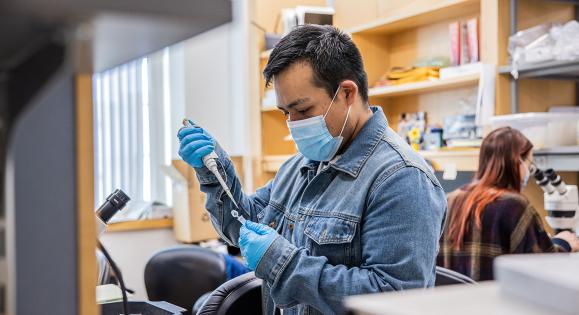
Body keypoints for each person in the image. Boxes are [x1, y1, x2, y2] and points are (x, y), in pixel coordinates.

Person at [178, 25, 446, 315]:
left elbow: (393, 301)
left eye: (303, 110)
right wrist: (215, 172)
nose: (293, 125)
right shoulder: (301, 164)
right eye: (286, 113)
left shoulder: (402, 179)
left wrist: (282, 262)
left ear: (346, 93)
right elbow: (244, 226)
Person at [437, 127, 579, 281]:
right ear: (517, 161)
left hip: (451, 301)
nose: (528, 173)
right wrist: (563, 243)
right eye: (528, 164)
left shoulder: (449, 199)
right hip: (496, 301)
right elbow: (543, 264)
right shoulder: (513, 206)